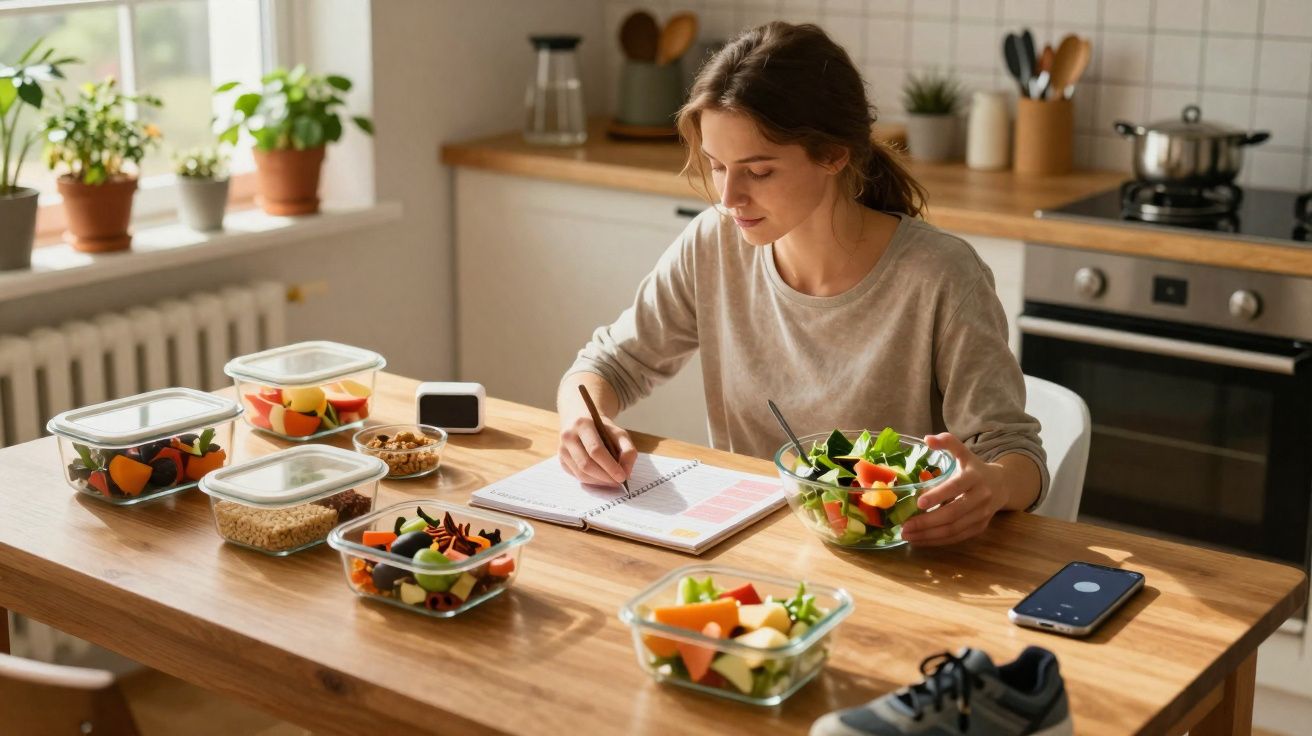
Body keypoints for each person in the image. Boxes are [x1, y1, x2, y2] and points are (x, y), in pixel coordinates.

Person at [555, 21, 1046, 546]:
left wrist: (991, 485)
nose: (729, 197)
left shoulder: (941, 275)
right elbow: (606, 365)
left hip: (898, 558)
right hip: (747, 543)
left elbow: (1015, 455)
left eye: (759, 172)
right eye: (718, 167)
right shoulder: (713, 243)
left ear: (833, 155)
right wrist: (584, 424)